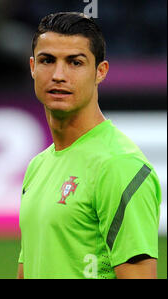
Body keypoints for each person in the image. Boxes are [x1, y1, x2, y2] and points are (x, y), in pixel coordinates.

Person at [17, 12, 161, 279]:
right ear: (32, 67)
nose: (59, 75)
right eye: (47, 60)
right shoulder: (37, 166)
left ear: (100, 72)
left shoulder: (119, 165)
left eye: (75, 62)